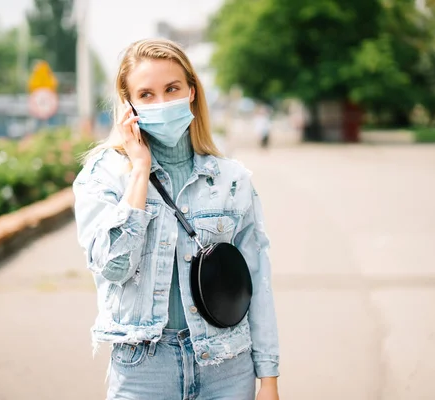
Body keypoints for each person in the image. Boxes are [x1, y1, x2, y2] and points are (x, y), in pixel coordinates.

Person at [73, 38, 280, 400]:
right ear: (128, 106)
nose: (162, 103)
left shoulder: (232, 180)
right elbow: (114, 266)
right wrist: (140, 170)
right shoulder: (103, 176)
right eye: (147, 94)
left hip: (227, 367)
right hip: (144, 371)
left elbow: (257, 282)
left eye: (172, 89)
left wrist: (269, 379)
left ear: (192, 93)